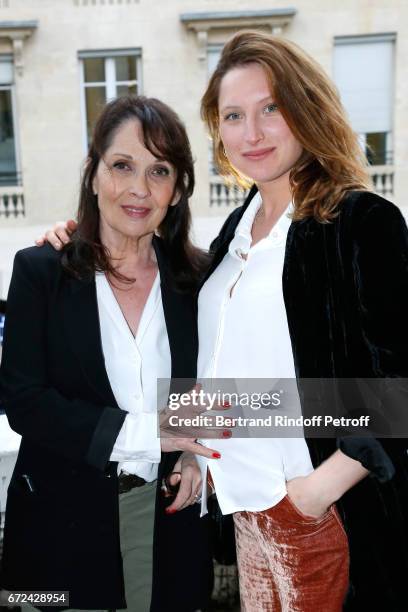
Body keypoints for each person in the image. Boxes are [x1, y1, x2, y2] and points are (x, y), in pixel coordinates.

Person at [38, 31, 408, 611]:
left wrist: (314, 492)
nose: (252, 133)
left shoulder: (360, 220)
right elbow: (227, 375)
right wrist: (193, 452)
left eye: (271, 109)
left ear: (306, 108)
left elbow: (395, 387)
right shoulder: (235, 232)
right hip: (242, 514)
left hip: (320, 511)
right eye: (233, 115)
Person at [0, 95, 222, 612]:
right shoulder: (40, 271)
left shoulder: (199, 281)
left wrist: (193, 452)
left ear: (179, 188)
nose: (139, 189)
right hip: (58, 531)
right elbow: (24, 401)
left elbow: (209, 389)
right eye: (122, 165)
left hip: (169, 523)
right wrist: (152, 433)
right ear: (93, 173)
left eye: (159, 170)